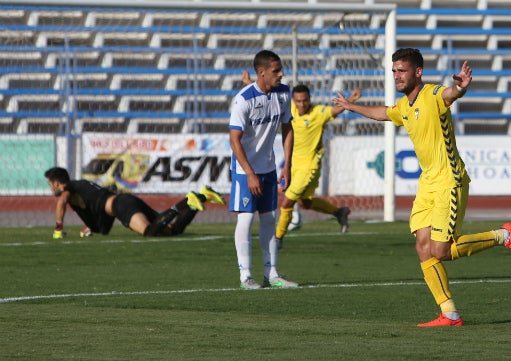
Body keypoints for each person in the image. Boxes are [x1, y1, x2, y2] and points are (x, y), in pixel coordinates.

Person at [332, 48, 511, 327]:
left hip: (449, 180)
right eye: (394, 71)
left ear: (418, 72)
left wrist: (460, 87)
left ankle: (502, 235)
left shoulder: (433, 95)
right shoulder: (404, 106)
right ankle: (449, 312)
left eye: (401, 70)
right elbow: (383, 113)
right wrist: (351, 107)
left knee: (441, 251)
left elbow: (451, 94)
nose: (396, 76)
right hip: (428, 183)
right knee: (423, 247)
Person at [229, 50, 297, 290]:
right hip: (244, 169)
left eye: (281, 69)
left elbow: (288, 129)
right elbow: (234, 139)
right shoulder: (243, 99)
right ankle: (245, 275)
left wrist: (286, 165)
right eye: (276, 70)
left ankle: (272, 274)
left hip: (268, 168)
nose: (281, 74)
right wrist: (249, 173)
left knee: (269, 219)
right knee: (246, 219)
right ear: (262, 72)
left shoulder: (283, 93)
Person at [275, 84, 361, 249]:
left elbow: (334, 111)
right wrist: (250, 84)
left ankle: (277, 238)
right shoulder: (289, 109)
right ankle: (339, 212)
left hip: (309, 167)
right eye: (298, 101)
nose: (302, 104)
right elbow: (269, 97)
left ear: (309, 99)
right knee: (304, 203)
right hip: (292, 166)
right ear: (294, 100)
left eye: (305, 100)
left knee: (286, 203)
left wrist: (351, 99)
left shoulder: (318, 113)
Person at [45, 167, 225, 238]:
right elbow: (98, 211)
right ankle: (200, 197)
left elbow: (61, 202)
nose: (50, 188)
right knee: (171, 230)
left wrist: (58, 228)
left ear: (57, 183)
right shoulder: (81, 187)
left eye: (50, 184)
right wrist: (92, 226)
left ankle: (183, 203)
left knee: (149, 231)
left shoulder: (68, 189)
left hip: (121, 206)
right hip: (125, 201)